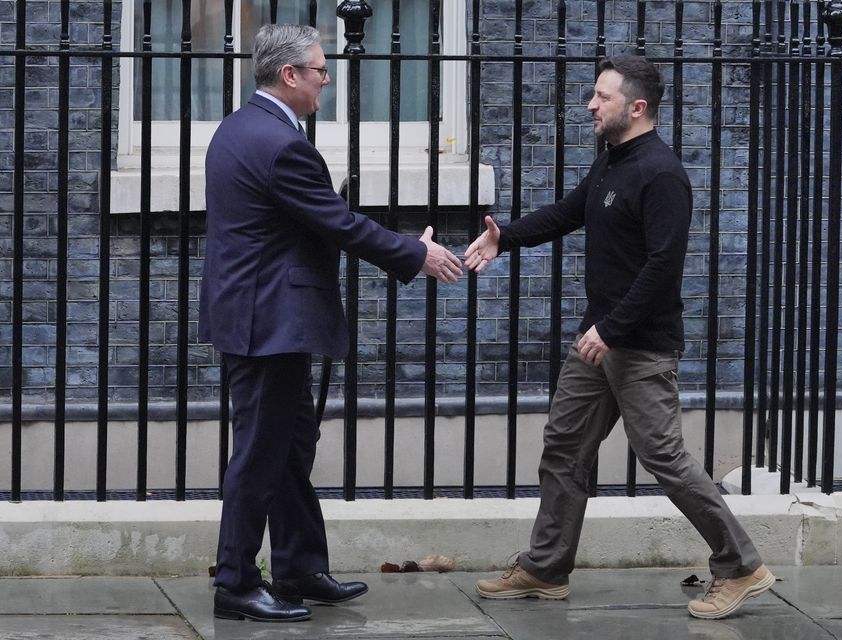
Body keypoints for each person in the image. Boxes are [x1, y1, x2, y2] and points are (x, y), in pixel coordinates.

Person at [465, 55, 774, 620]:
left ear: (636, 107)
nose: (590, 104)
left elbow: (663, 268)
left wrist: (610, 329)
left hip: (638, 345)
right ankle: (545, 567)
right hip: (599, 340)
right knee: (564, 446)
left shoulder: (662, 175)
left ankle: (741, 565)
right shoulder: (613, 161)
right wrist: (502, 238)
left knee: (665, 458)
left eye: (601, 96)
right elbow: (568, 213)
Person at [199, 23, 463, 623]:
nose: (326, 79)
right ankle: (237, 581)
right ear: (289, 75)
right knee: (260, 454)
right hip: (269, 322)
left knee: (289, 447)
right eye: (319, 69)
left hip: (256, 314)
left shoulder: (239, 129)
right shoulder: (281, 144)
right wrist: (414, 254)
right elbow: (338, 224)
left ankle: (298, 566)